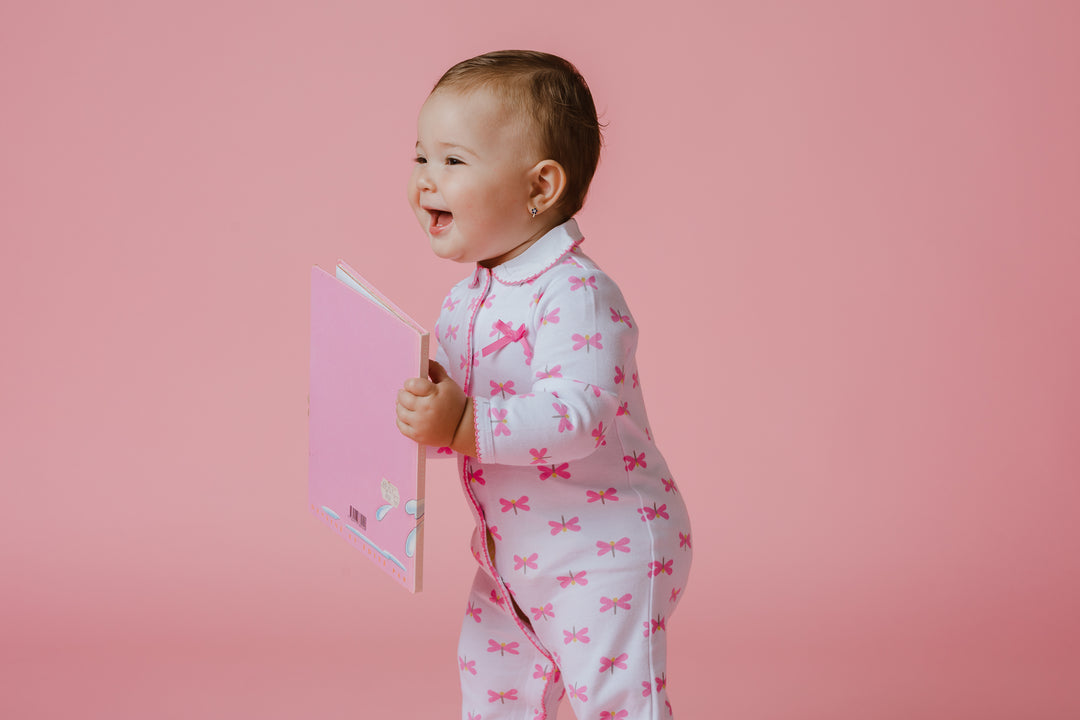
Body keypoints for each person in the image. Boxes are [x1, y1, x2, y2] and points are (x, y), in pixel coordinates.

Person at [395, 50, 692, 720]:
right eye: (420, 158)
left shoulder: (578, 292)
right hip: (513, 558)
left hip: (603, 549)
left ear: (539, 187)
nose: (426, 181)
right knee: (492, 687)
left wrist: (461, 422)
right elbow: (460, 426)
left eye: (453, 161)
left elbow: (576, 415)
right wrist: (424, 413)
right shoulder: (465, 303)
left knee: (614, 699)